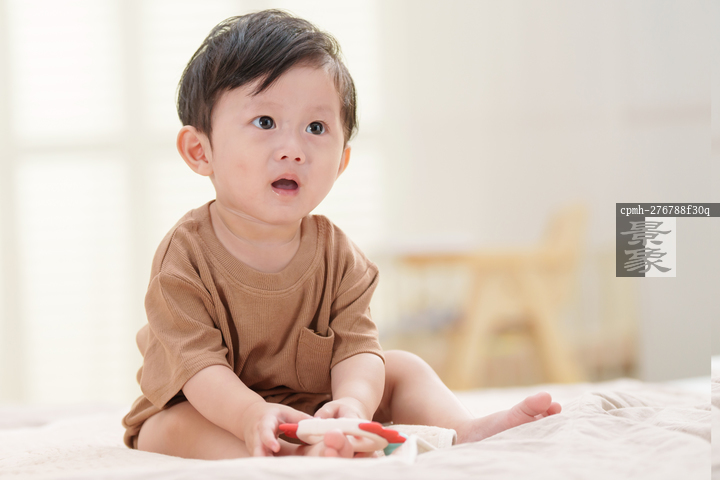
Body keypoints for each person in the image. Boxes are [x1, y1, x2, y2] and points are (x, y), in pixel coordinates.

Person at [121, 9, 561, 459]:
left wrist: (352, 404)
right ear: (200, 150)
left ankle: (463, 431)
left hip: (313, 402)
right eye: (265, 122)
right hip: (211, 405)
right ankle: (290, 455)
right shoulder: (186, 256)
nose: (293, 150)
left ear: (342, 162)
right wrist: (251, 413)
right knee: (168, 429)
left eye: (316, 128)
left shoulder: (339, 255)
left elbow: (357, 349)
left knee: (401, 367)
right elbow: (197, 366)